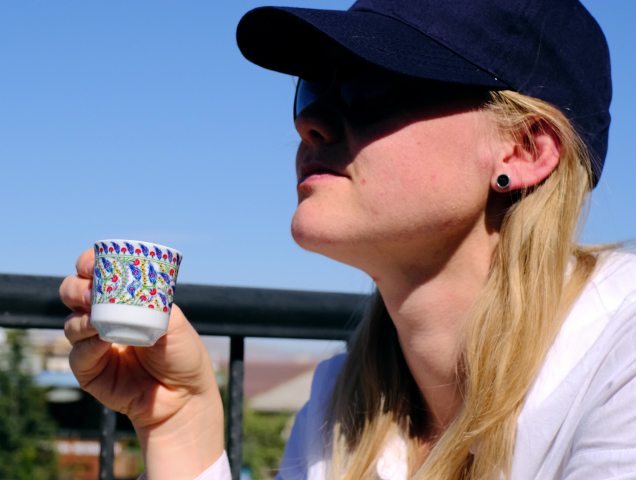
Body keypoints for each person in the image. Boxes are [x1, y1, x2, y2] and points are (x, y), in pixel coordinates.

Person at [61, 0, 636, 478]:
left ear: (523, 151)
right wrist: (180, 424)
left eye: (367, 87)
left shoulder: (622, 355)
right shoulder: (338, 403)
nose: (308, 123)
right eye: (314, 89)